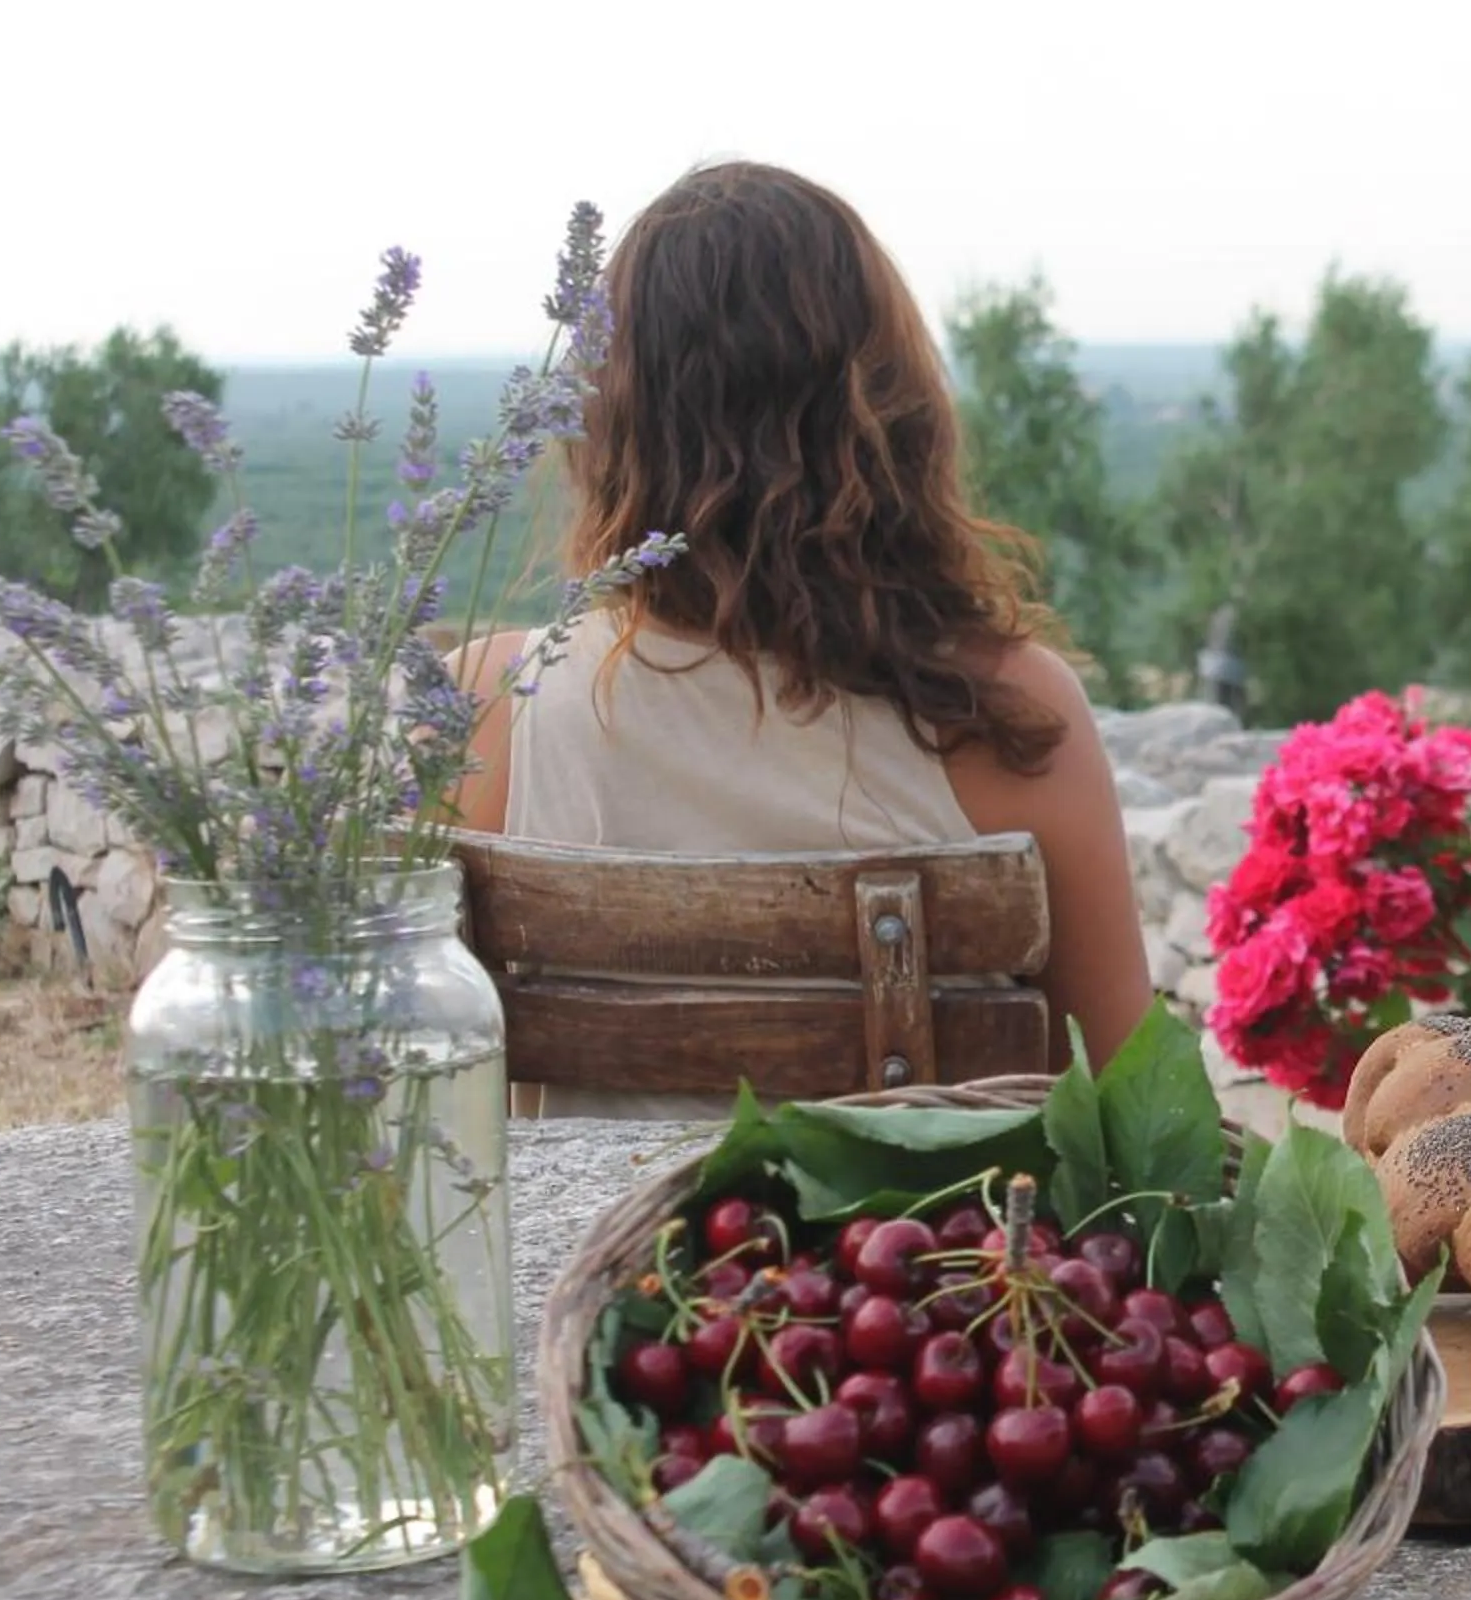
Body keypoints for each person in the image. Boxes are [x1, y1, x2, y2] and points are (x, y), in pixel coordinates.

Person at [450, 161, 1152, 1111]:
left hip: (580, 1260)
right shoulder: (1008, 720)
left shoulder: (482, 713)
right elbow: (1136, 1109)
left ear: (611, 419)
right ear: (891, 411)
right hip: (918, 1261)